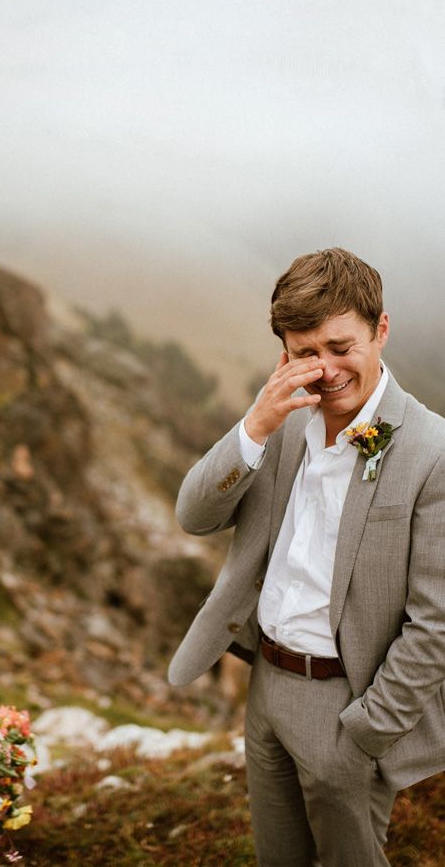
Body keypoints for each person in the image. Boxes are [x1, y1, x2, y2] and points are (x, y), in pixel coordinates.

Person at [168, 248, 445, 867]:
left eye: (340, 346)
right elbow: (194, 516)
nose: (325, 370)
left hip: (346, 705)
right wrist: (255, 427)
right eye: (303, 353)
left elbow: (436, 626)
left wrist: (367, 733)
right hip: (265, 687)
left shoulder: (433, 453)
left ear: (381, 330)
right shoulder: (285, 419)